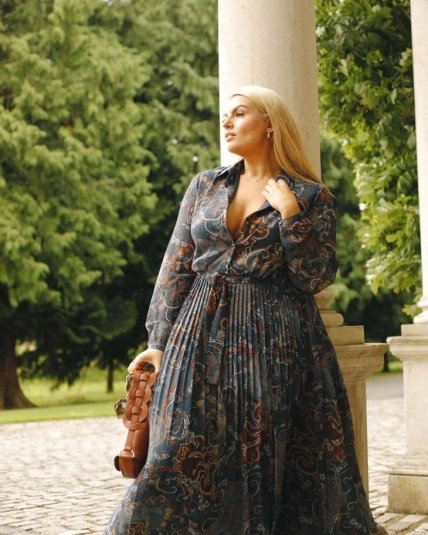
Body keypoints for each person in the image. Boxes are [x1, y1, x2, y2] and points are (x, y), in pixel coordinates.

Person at [105, 85, 379, 534]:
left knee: (259, 458)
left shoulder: (310, 196)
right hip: (197, 336)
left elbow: (314, 277)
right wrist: (158, 342)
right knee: (174, 450)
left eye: (239, 113)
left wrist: (291, 217)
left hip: (275, 345)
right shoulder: (206, 186)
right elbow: (176, 265)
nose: (226, 121)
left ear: (270, 123)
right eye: (225, 114)